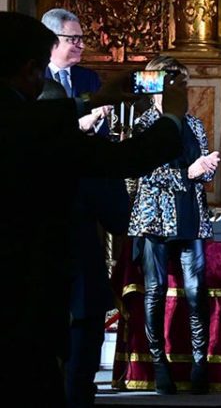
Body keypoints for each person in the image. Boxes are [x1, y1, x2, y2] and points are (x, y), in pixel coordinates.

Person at [0, 11, 186, 404]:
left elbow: (39, 117)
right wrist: (173, 117)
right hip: (29, 290)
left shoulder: (23, 116)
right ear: (30, 68)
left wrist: (91, 100)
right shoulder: (36, 130)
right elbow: (127, 159)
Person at [127, 56, 220, 395]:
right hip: (155, 217)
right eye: (173, 83)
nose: (180, 90)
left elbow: (203, 168)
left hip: (189, 216)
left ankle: (199, 365)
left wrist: (207, 167)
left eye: (183, 83)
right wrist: (189, 173)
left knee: (196, 292)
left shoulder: (193, 124)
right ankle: (159, 365)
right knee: (155, 291)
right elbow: (144, 171)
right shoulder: (144, 124)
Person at [38, 79, 131, 408]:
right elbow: (119, 219)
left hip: (24, 290)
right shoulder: (86, 158)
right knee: (76, 387)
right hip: (78, 289)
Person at [41, 9, 107, 135]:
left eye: (81, 38)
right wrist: (79, 126)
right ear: (51, 38)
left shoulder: (89, 78)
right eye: (74, 39)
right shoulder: (33, 77)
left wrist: (97, 120)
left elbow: (104, 130)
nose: (82, 46)